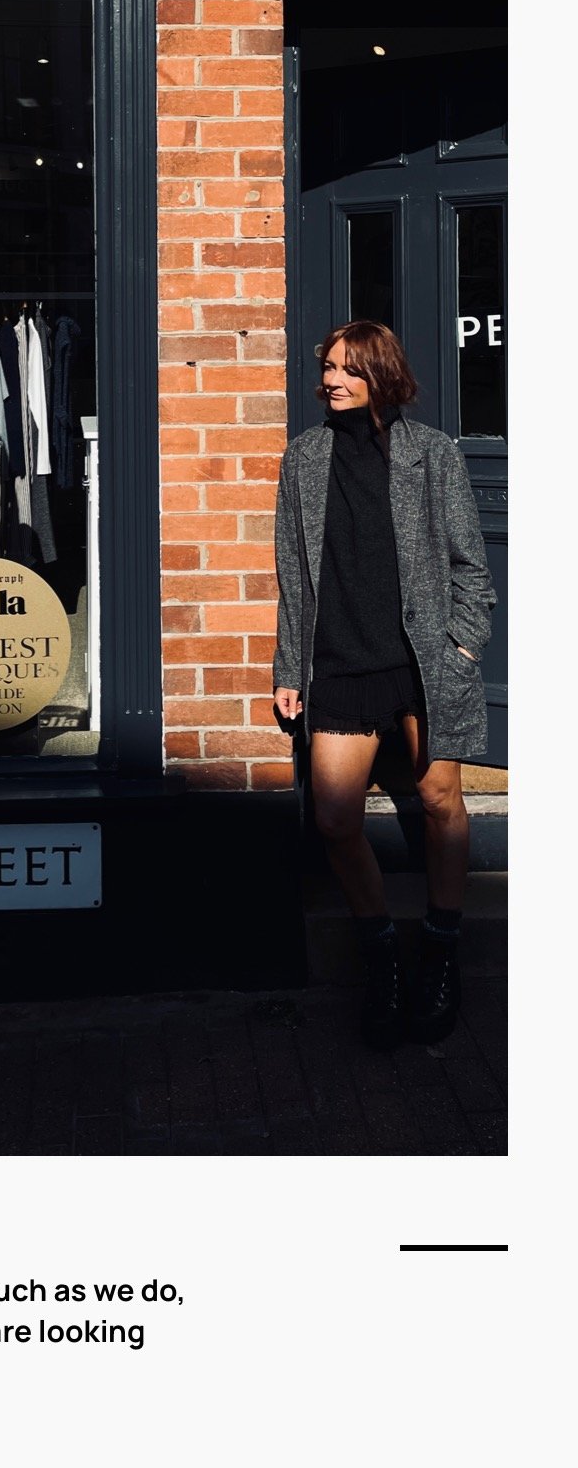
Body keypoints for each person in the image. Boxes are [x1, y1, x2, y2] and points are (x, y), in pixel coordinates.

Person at [272, 320, 495, 1048]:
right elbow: (292, 579)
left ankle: (440, 946)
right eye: (327, 367)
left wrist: (463, 645)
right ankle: (384, 957)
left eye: (345, 369)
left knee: (439, 799)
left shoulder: (431, 454)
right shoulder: (303, 459)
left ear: (379, 374)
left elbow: (470, 562)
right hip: (339, 659)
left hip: (422, 661)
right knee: (335, 819)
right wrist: (287, 667)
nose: (330, 379)